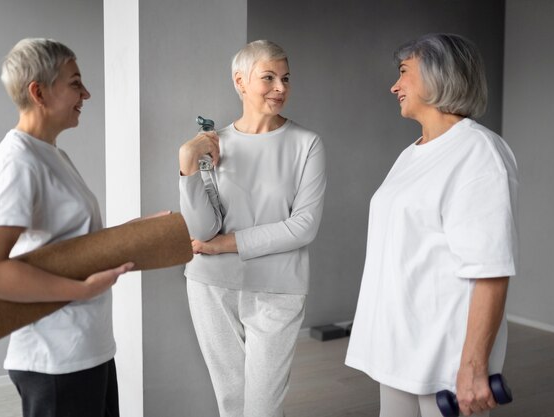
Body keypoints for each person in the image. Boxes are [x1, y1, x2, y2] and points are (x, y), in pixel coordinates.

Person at [345, 33, 518, 417]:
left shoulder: (478, 152)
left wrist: (473, 367)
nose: (394, 85)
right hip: (399, 350)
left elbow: (491, 269)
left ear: (440, 76)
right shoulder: (412, 153)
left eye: (404, 72)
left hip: (444, 358)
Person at [0, 38, 134, 417]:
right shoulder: (18, 163)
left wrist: (137, 233)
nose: (86, 93)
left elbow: (71, 243)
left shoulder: (52, 153)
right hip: (56, 359)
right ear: (38, 92)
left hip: (89, 348)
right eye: (75, 83)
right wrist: (82, 290)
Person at [178, 40, 327, 417]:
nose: (281, 87)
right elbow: (202, 230)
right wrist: (187, 167)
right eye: (269, 77)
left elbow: (304, 226)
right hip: (211, 285)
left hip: (279, 288)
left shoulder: (306, 144)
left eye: (286, 78)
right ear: (240, 82)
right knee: (230, 400)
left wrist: (227, 244)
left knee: (262, 408)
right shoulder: (215, 144)